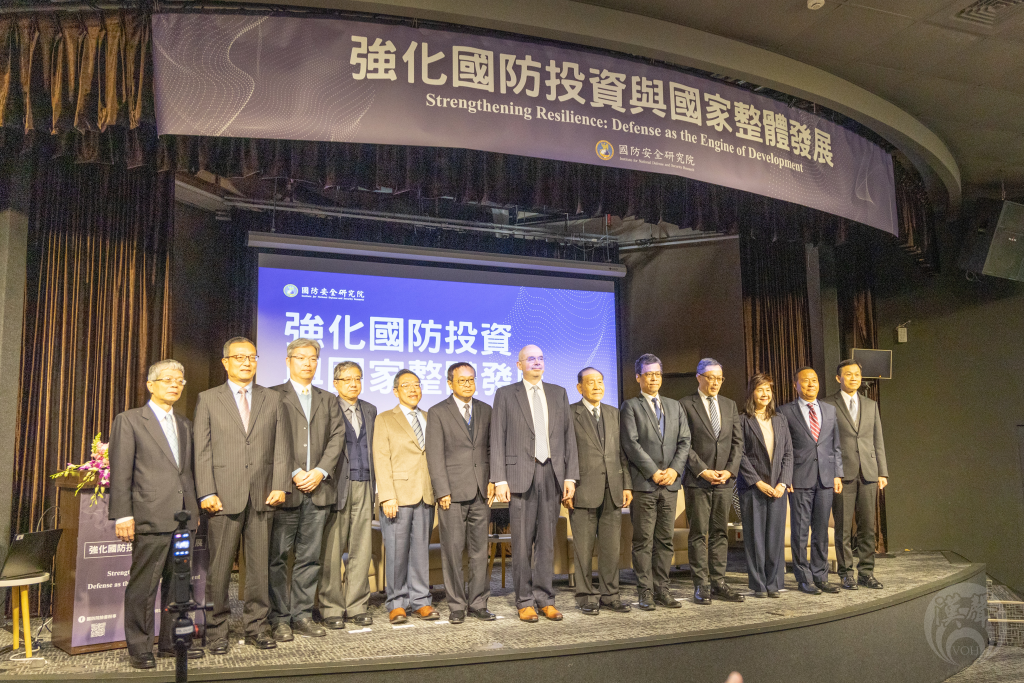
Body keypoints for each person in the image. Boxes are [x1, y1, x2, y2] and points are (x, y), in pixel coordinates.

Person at [194, 337, 291, 654]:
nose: (247, 362)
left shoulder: (272, 399)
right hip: (222, 496)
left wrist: (280, 484)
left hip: (263, 494)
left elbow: (282, 447)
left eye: (252, 357)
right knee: (219, 570)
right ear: (225, 362)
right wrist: (206, 490)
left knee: (259, 570)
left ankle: (257, 627)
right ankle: (216, 630)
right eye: (239, 357)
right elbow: (202, 450)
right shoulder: (208, 399)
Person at [110, 359, 203, 669]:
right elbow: (121, 471)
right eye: (168, 379)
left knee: (179, 585)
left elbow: (186, 472)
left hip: (183, 517)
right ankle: (139, 647)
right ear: (151, 385)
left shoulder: (185, 424)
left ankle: (172, 642)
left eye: (180, 380)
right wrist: (123, 515)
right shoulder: (130, 420)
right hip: (149, 515)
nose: (175, 384)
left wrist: (193, 508)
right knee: (144, 586)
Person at [491, 345, 579, 623]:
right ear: (519, 365)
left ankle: (545, 599)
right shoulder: (506, 394)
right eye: (531, 359)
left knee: (546, 542)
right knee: (521, 543)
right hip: (519, 477)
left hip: (552, 473)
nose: (537, 362)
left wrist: (569, 476)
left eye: (540, 358)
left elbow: (568, 437)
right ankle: (524, 601)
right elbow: (497, 437)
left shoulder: (558, 393)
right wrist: (499, 479)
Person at [267, 338, 345, 641]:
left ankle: (301, 615)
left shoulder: (328, 399)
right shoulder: (272, 395)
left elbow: (337, 437)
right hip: (285, 488)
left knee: (310, 558)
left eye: (313, 358)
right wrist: (295, 471)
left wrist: (320, 471)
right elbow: (268, 439)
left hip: (319, 488)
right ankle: (279, 618)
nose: (307, 363)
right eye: (301, 358)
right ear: (288, 361)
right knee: (277, 558)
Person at [425, 363, 495, 624]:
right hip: (451, 493)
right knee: (453, 552)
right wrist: (442, 490)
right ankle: (456, 604)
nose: (468, 384)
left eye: (471, 379)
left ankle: (478, 603)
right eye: (462, 380)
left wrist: (493, 479)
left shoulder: (486, 409)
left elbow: (491, 449)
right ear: (450, 383)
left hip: (481, 491)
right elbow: (435, 455)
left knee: (480, 551)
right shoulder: (438, 412)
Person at [620, 353, 690, 610]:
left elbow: (685, 442)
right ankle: (645, 592)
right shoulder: (630, 406)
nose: (654, 379)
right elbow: (630, 444)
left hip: (670, 484)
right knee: (643, 541)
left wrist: (674, 470)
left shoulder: (674, 406)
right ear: (638, 377)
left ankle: (662, 589)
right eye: (648, 374)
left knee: (665, 540)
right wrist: (653, 471)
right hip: (645, 485)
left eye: (657, 374)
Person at [373, 369, 438, 624]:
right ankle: (397, 603)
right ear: (395, 391)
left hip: (426, 493)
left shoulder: (430, 417)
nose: (413, 389)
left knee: (421, 552)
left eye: (417, 385)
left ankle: (421, 601)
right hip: (397, 496)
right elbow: (381, 458)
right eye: (406, 385)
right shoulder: (385, 419)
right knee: (397, 553)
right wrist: (387, 496)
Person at [318, 361, 378, 628]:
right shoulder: (326, 407)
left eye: (358, 379)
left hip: (365, 483)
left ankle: (357, 606)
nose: (354, 384)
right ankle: (331, 608)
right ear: (336, 383)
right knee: (332, 550)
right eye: (347, 379)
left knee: (361, 548)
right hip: (336, 486)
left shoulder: (370, 409)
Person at [680, 358, 744, 605]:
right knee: (699, 533)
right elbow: (683, 443)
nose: (715, 382)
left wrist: (729, 471)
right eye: (711, 378)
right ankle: (701, 585)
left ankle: (719, 582)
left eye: (719, 378)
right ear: (699, 377)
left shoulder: (729, 405)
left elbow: (737, 443)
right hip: (698, 481)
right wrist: (702, 470)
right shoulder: (686, 404)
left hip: (724, 481)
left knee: (720, 533)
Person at [569, 367, 632, 615]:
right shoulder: (569, 413)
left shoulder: (614, 413)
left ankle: (610, 595)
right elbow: (565, 453)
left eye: (600, 382)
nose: (597, 386)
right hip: (583, 489)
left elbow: (622, 453)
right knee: (583, 549)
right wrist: (567, 484)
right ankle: (585, 596)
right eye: (591, 382)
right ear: (579, 387)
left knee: (610, 548)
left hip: (613, 489)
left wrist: (626, 484)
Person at [822, 359, 889, 590]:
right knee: (842, 528)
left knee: (867, 527)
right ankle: (846, 573)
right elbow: (825, 442)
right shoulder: (827, 404)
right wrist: (833, 473)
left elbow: (877, 440)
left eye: (857, 374)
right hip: (842, 474)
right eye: (848, 374)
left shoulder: (870, 404)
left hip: (868, 472)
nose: (854, 378)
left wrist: (882, 471)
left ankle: (866, 573)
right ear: (838, 378)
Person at [778, 367, 843, 595]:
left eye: (814, 380)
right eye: (805, 381)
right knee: (800, 532)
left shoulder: (830, 410)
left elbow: (835, 446)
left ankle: (820, 576)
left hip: (825, 478)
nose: (811, 384)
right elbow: (783, 448)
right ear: (795, 385)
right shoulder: (785, 411)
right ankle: (803, 578)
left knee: (821, 531)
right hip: (799, 479)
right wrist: (786, 476)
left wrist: (837, 474)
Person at [737, 373, 793, 598]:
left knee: (775, 538)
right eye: (760, 389)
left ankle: (774, 583)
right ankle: (759, 584)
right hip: (753, 488)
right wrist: (758, 482)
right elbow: (740, 455)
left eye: (768, 390)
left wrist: (783, 483)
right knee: (755, 538)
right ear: (752, 393)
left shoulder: (780, 419)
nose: (765, 394)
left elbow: (788, 454)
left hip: (778, 488)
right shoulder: (742, 420)